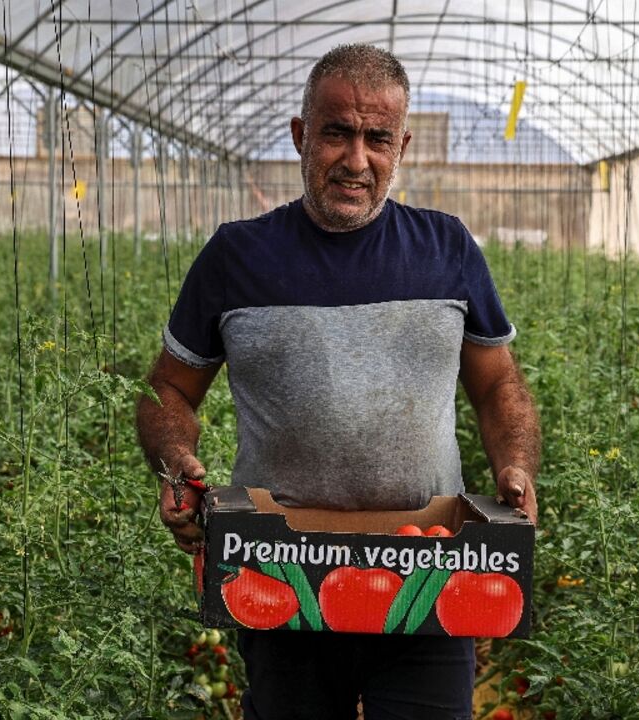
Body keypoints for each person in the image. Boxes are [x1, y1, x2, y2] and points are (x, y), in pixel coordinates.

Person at [136, 43, 541, 720]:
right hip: (280, 574)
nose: (357, 160)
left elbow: (499, 385)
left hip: (429, 577)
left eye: (377, 138)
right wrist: (177, 465)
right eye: (337, 133)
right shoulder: (237, 257)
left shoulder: (447, 250)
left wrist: (516, 467)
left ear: (401, 144)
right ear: (301, 135)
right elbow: (167, 392)